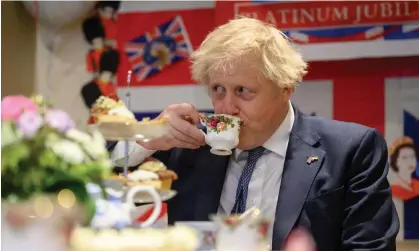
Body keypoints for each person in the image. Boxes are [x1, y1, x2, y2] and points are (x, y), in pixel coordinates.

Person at [110, 17, 399, 251]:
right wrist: (145, 140)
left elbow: (371, 247)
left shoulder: (350, 149)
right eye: (217, 89)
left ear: (285, 88)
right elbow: (92, 181)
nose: (226, 108)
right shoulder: (187, 141)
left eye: (243, 91)